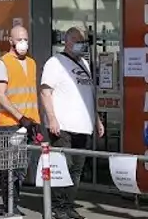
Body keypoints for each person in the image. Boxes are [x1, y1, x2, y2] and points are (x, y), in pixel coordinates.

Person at [40, 27, 104, 219]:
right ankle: (58, 208)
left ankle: (68, 206)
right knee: (63, 169)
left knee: (76, 170)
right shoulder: (55, 62)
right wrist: (51, 118)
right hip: (63, 127)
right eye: (77, 39)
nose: (81, 43)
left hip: (82, 126)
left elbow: (89, 95)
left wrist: (97, 119)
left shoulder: (84, 63)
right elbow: (45, 91)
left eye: (83, 40)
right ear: (66, 41)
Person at [0, 25, 41, 215]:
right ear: (10, 41)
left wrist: (34, 120)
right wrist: (21, 117)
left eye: (26, 39)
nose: (24, 43)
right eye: (20, 39)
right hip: (9, 124)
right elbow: (0, 96)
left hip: (28, 124)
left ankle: (13, 205)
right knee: (10, 169)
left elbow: (29, 94)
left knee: (20, 169)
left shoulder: (32, 63)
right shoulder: (3, 63)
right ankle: (9, 207)